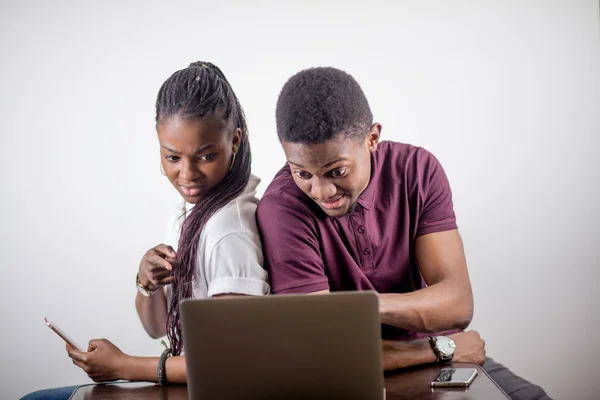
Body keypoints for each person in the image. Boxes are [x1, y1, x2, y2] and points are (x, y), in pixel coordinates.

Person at [256, 66, 551, 400]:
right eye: (302, 172)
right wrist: (441, 348)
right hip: (366, 371)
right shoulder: (281, 208)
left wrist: (360, 308)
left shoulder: (417, 170)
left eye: (336, 171)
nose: (321, 190)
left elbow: (458, 304)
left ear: (372, 138)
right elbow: (326, 351)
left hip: (448, 359)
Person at [21, 61, 269, 400]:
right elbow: (155, 327)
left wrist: (123, 366)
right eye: (172, 157)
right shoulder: (188, 214)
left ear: (235, 141)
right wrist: (146, 282)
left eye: (205, 156)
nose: (187, 174)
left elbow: (229, 363)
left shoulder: (229, 231)